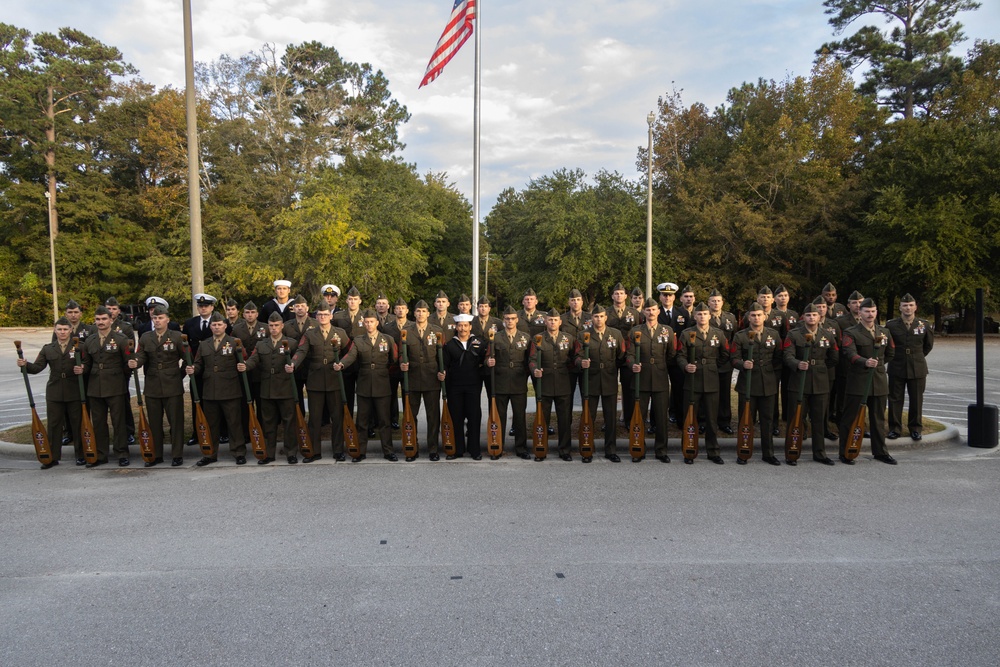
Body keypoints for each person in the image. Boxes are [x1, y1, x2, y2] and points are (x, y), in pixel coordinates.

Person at [18, 317, 83, 467]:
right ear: (55, 330)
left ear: (71, 330)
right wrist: (25, 364)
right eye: (59, 329)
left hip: (74, 390)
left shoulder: (79, 346)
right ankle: (53, 457)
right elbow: (37, 368)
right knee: (54, 425)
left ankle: (81, 455)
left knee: (77, 423)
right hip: (55, 391)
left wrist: (83, 368)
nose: (62, 332)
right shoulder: (48, 348)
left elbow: (87, 363)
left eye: (65, 329)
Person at [839, 298, 896, 465]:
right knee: (850, 418)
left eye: (872, 311)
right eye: (866, 311)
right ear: (860, 313)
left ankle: (880, 452)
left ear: (876, 312)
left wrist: (877, 365)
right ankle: (845, 452)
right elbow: (848, 352)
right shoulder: (851, 332)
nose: (870, 314)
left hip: (878, 381)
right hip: (858, 381)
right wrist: (864, 362)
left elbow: (891, 353)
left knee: (878, 419)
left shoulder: (884, 332)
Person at [336, 309, 398, 462]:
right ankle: (361, 451)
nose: (369, 324)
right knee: (362, 421)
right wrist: (341, 364)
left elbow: (394, 358)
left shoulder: (387, 339)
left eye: (372, 322)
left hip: (382, 383)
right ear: (364, 323)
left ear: (377, 323)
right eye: (367, 322)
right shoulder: (358, 340)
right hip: (364, 384)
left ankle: (388, 451)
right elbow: (351, 356)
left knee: (384, 420)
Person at [291, 304, 351, 462]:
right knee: (315, 418)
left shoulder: (340, 333)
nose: (323, 317)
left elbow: (349, 351)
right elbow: (301, 351)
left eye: (325, 314)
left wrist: (343, 364)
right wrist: (293, 364)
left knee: (337, 418)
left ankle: (338, 450)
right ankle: (314, 451)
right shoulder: (310, 334)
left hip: (334, 380)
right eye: (320, 315)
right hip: (315, 380)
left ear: (331, 316)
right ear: (316, 317)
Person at [187, 311, 246, 466]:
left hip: (230, 389)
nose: (217, 327)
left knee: (234, 423)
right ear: (211, 327)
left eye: (220, 324)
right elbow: (199, 363)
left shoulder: (235, 342)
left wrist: (243, 365)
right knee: (211, 425)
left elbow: (244, 359)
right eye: (214, 325)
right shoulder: (204, 344)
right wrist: (194, 368)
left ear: (225, 326)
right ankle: (210, 454)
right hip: (210, 391)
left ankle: (238, 452)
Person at [783, 303, 839, 465]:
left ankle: (820, 453)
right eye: (808, 315)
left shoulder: (827, 335)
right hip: (799, 382)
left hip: (820, 383)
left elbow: (834, 357)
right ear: (803, 317)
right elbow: (787, 355)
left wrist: (819, 367)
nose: (812, 318)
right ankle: (792, 452)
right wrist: (797, 364)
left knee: (819, 420)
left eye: (814, 315)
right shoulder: (793, 334)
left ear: (820, 317)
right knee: (796, 419)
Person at [130, 305, 186, 467]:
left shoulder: (177, 337)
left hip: (172, 385)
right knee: (154, 422)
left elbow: (187, 358)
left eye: (160, 318)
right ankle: (157, 455)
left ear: (167, 319)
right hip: (153, 384)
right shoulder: (146, 338)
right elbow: (141, 356)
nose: (157, 321)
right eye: (155, 318)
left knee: (176, 422)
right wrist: (136, 362)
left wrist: (180, 374)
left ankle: (177, 455)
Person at [241, 312, 299, 464]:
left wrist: (293, 366)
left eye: (276, 326)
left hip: (285, 387)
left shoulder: (291, 343)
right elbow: (254, 359)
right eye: (271, 326)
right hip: (267, 388)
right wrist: (245, 366)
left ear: (282, 326)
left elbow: (297, 360)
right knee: (268, 423)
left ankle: (291, 452)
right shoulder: (261, 344)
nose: (273, 328)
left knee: (289, 422)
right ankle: (269, 453)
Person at [729, 303, 783, 465]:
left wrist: (767, 370)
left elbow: (779, 357)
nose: (756, 318)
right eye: (753, 315)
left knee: (767, 421)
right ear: (748, 317)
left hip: (768, 384)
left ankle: (768, 453)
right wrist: (742, 364)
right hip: (748, 385)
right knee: (746, 420)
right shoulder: (740, 336)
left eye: (759, 315)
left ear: (765, 316)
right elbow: (733, 358)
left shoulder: (773, 335)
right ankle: (743, 451)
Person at [77, 306, 131, 467]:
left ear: (111, 320)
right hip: (95, 387)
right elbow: (87, 363)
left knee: (118, 421)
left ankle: (122, 453)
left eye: (104, 319)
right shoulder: (90, 340)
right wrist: (82, 369)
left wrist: (122, 380)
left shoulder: (121, 339)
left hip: (115, 386)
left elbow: (126, 365)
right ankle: (101, 454)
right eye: (98, 319)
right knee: (99, 423)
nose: (100, 322)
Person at [677, 302, 730, 464]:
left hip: (712, 381)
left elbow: (725, 353)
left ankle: (713, 451)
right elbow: (680, 355)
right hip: (693, 381)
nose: (702, 317)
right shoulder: (687, 334)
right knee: (690, 418)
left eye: (705, 314)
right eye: (699, 314)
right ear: (694, 316)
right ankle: (689, 449)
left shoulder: (718, 334)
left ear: (709, 316)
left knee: (711, 419)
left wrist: (713, 366)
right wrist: (686, 366)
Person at [627, 298, 677, 462]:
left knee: (662, 417)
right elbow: (630, 354)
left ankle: (661, 450)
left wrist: (662, 367)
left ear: (658, 311)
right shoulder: (635, 331)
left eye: (653, 309)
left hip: (660, 378)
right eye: (648, 310)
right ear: (643, 312)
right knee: (639, 417)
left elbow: (671, 354)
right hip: (641, 378)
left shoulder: (667, 331)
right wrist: (633, 364)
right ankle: (638, 448)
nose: (651, 312)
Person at [577, 305, 626, 463]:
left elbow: (621, 355)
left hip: (609, 380)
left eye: (601, 316)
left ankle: (610, 450)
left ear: (606, 318)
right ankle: (587, 449)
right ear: (591, 318)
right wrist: (581, 362)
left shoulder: (616, 334)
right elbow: (576, 356)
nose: (599, 319)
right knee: (588, 418)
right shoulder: (583, 335)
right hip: (590, 381)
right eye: (596, 316)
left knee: (610, 417)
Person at [529, 309, 578, 461]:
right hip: (544, 384)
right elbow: (531, 359)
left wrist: (578, 363)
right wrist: (534, 370)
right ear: (545, 321)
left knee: (564, 419)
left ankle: (564, 450)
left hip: (564, 383)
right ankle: (541, 449)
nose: (552, 322)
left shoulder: (568, 338)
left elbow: (575, 356)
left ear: (560, 322)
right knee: (542, 419)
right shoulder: (537, 339)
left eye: (555, 320)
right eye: (550, 320)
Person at [401, 300, 445, 461]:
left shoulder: (437, 331)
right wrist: (402, 363)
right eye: (418, 311)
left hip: (431, 378)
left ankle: (433, 448)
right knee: (410, 415)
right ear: (414, 313)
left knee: (433, 416)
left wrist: (443, 372)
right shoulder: (406, 331)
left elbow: (442, 354)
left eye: (423, 311)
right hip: (412, 378)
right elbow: (401, 353)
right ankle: (412, 447)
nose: (420, 314)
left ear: (428, 313)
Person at [439, 313, 487, 460]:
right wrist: (442, 373)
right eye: (460, 326)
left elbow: (484, 360)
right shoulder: (449, 345)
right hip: (455, 387)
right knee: (456, 418)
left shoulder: (479, 342)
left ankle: (475, 450)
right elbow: (445, 364)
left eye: (466, 325)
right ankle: (457, 450)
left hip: (473, 386)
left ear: (470, 327)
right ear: (456, 327)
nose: (463, 328)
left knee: (474, 417)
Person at [886, 293, 933, 441]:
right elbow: (888, 345)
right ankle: (895, 428)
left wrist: (916, 356)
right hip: (897, 365)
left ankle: (915, 428)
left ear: (916, 307)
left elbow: (928, 346)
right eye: (905, 305)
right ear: (900, 307)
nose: (908, 308)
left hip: (917, 366)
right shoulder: (891, 325)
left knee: (917, 399)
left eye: (911, 305)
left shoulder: (924, 325)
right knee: (894, 399)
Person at [490, 306, 532, 459]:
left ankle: (521, 448)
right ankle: (498, 447)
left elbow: (530, 360)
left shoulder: (525, 337)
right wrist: (489, 361)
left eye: (513, 318)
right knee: (500, 417)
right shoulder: (495, 337)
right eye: (507, 318)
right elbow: (487, 357)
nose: (510, 321)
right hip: (500, 381)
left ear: (517, 320)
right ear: (503, 320)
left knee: (519, 417)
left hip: (518, 381)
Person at [182, 293, 218, 446]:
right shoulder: (190, 323)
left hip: (213, 368)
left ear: (212, 307)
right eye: (200, 306)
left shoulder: (219, 322)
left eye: (206, 306)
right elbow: (185, 346)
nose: (203, 308)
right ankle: (197, 433)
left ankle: (219, 432)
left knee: (216, 402)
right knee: (197, 401)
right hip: (196, 369)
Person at [608, 283, 642, 427]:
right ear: (612, 296)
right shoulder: (606, 312)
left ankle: (628, 419)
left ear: (626, 296)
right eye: (616, 294)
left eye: (621, 293)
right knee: (610, 390)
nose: (618, 296)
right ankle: (609, 421)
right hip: (610, 354)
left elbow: (638, 332)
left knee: (628, 388)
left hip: (628, 354)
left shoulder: (633, 313)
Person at [707, 289, 737, 434]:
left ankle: (724, 421)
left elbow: (734, 338)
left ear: (722, 302)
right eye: (713, 301)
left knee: (725, 393)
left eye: (718, 300)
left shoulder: (730, 318)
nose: (716, 303)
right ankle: (705, 421)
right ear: (709, 303)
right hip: (709, 361)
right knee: (707, 393)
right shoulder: (703, 316)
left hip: (725, 362)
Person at [381, 297, 414, 430]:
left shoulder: (412, 326)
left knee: (408, 393)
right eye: (398, 308)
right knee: (392, 394)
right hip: (393, 366)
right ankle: (393, 419)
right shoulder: (387, 327)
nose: (400, 311)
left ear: (407, 310)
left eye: (403, 308)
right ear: (394, 311)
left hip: (408, 366)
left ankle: (408, 417)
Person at [333, 286, 365, 417]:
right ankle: (348, 421)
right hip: (344, 359)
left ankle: (364, 424)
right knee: (346, 394)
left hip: (362, 360)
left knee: (363, 395)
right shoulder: (338, 316)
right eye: (350, 299)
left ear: (360, 301)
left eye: (355, 299)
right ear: (346, 301)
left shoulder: (366, 316)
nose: (352, 302)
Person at [283, 294, 317, 414]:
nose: (300, 308)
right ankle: (299, 419)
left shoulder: (316, 324)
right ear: (293, 309)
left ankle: (316, 422)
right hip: (294, 365)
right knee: (295, 396)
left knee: (314, 396)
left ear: (307, 308)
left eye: (302, 306)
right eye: (297, 306)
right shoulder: (287, 326)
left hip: (311, 365)